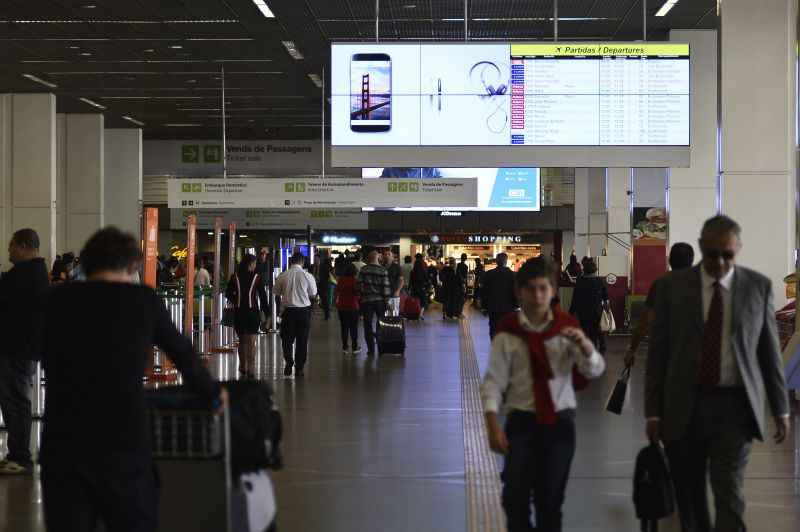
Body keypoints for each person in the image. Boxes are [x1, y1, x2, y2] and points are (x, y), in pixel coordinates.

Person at [39, 227, 224, 531]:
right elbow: (183, 354)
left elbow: (39, 351)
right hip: (123, 437)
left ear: (87, 262)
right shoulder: (141, 300)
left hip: (64, 440)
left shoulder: (58, 301)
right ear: (133, 265)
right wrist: (212, 393)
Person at [645, 215, 790, 532]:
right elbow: (658, 354)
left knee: (730, 493)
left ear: (738, 249)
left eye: (728, 254)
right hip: (684, 404)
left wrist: (781, 408)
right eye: (712, 254)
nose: (721, 262)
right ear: (700, 248)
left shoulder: (757, 287)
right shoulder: (672, 288)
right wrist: (652, 413)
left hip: (734, 408)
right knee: (690, 495)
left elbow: (769, 354)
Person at [481, 257, 606, 532]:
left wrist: (585, 345)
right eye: (530, 289)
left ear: (552, 291)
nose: (537, 295)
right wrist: (492, 424)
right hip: (521, 423)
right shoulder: (508, 330)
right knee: (514, 499)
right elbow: (494, 380)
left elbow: (594, 370)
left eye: (543, 288)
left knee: (550, 502)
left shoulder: (566, 327)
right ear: (519, 291)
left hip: (559, 424)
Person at [0, 229, 49, 475]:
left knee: (15, 402)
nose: (9, 251)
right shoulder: (36, 274)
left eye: (12, 246)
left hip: (15, 349)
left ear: (24, 245)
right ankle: (16, 454)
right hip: (21, 348)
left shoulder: (24, 276)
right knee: (14, 402)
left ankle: (20, 457)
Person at [625, 242, 695, 366]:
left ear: (670, 261)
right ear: (692, 261)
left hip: (663, 353)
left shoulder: (661, 284)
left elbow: (645, 321)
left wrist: (632, 350)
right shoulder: (701, 285)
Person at [225, 254, 268, 379]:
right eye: (254, 263)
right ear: (250, 264)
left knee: (242, 341)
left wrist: (236, 299)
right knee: (251, 342)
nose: (255, 265)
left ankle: (242, 365)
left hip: (239, 312)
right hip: (253, 312)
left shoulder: (235, 277)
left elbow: (228, 293)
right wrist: (268, 313)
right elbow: (263, 297)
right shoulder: (257, 278)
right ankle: (251, 367)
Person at [274, 253, 317, 377]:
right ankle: (299, 368)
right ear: (302, 262)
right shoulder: (308, 276)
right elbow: (313, 293)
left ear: (291, 261)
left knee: (286, 339)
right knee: (302, 340)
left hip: (288, 312)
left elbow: (276, 291)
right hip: (303, 312)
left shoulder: (283, 275)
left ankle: (289, 361)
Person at [568, 257, 608, 354]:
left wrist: (571, 312)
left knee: (588, 333)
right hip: (597, 312)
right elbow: (606, 297)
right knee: (598, 330)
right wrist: (606, 309)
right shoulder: (599, 281)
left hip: (584, 313)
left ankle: (592, 350)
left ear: (584, 270)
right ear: (595, 270)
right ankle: (601, 346)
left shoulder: (580, 281)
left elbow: (575, 299)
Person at [357, 250, 391, 356]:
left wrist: (362, 294)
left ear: (369, 258)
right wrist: (387, 302)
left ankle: (370, 349)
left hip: (367, 301)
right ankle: (381, 347)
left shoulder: (363, 269)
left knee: (367, 325)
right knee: (380, 324)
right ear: (377, 258)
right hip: (380, 301)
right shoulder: (383, 270)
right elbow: (385, 288)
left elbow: (359, 285)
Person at [482, 253, 518, 339]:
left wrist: (484, 307)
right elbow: (516, 292)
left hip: (493, 308)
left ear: (496, 261)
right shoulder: (513, 275)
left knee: (494, 329)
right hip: (509, 308)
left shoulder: (489, 274)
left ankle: (495, 346)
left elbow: (484, 292)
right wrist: (517, 305)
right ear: (506, 261)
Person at [335, 263, 360, 354]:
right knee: (354, 328)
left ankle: (345, 347)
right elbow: (358, 293)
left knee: (344, 327)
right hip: (353, 306)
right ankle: (354, 347)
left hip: (342, 307)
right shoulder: (355, 280)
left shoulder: (341, 280)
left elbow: (337, 291)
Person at [409, 254, 431, 319]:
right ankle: (420, 314)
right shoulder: (423, 268)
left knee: (415, 300)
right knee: (423, 301)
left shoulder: (413, 271)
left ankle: (415, 313)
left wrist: (409, 288)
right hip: (422, 287)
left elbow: (411, 280)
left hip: (415, 287)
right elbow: (427, 278)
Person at [384, 250, 404, 316]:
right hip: (383, 295)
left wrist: (398, 291)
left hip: (393, 293)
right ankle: (386, 326)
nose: (387, 256)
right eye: (385, 254)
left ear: (392, 257)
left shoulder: (397, 267)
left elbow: (401, 280)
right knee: (384, 314)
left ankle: (393, 325)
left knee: (394, 313)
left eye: (389, 254)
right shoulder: (381, 267)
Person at [317, 256, 334, 321]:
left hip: (321, 284)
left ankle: (325, 311)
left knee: (324, 298)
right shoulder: (330, 267)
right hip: (327, 284)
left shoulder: (321, 266)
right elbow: (332, 275)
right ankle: (327, 313)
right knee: (326, 299)